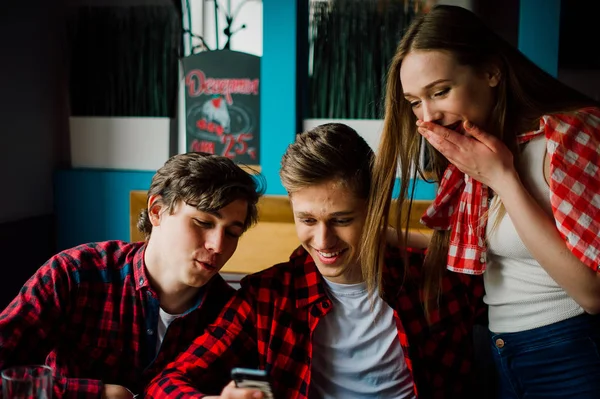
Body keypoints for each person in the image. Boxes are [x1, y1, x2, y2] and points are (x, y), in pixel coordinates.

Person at [362, 5, 600, 399]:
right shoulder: (483, 148)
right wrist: (371, 233)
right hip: (502, 352)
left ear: (491, 72)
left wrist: (502, 177)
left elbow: (592, 293)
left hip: (570, 353)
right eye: (414, 102)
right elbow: (474, 244)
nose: (428, 115)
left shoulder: (571, 135)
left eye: (440, 92)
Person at [145, 123, 484, 399]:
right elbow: (165, 383)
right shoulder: (267, 296)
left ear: (374, 209)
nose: (323, 242)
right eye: (307, 221)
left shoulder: (437, 277)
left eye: (341, 220)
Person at [0, 152, 262, 398]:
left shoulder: (232, 313)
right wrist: (97, 394)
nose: (217, 245)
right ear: (157, 211)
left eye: (232, 233)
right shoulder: (75, 274)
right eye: (203, 222)